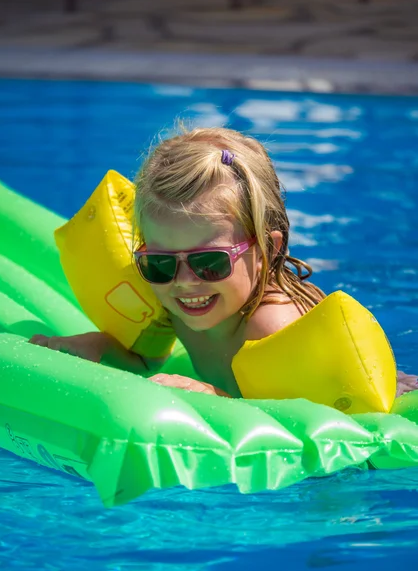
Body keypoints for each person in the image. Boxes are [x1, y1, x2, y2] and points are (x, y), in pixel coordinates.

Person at [30, 127, 416, 398]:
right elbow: (146, 360)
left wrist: (213, 396)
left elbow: (299, 423)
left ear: (267, 249)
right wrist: (98, 347)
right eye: (160, 264)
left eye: (210, 262)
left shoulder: (271, 326)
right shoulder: (178, 299)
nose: (184, 281)